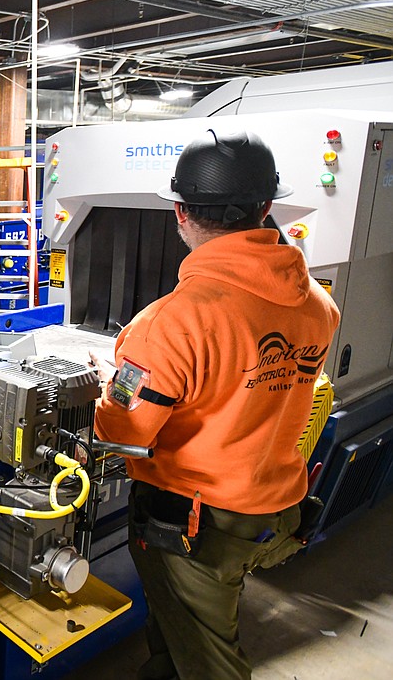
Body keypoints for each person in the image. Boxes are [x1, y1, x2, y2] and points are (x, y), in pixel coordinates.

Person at [91, 129, 340, 680]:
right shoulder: (319, 304)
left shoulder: (171, 323)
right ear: (267, 208)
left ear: (179, 213)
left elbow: (122, 430)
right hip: (275, 511)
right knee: (179, 627)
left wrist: (109, 388)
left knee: (210, 659)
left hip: (196, 526)